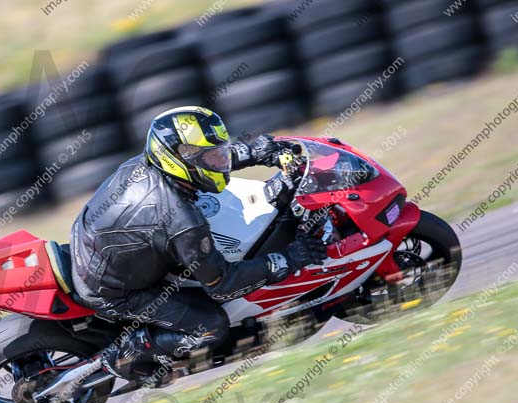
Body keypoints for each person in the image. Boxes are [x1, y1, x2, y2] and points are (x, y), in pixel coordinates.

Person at [70, 106, 327, 383]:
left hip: (93, 247)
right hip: (112, 292)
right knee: (211, 326)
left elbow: (207, 162)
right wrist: (289, 259)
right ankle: (127, 355)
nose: (221, 160)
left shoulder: (147, 163)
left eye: (221, 151)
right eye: (213, 155)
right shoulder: (182, 221)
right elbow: (223, 285)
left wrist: (254, 152)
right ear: (182, 158)